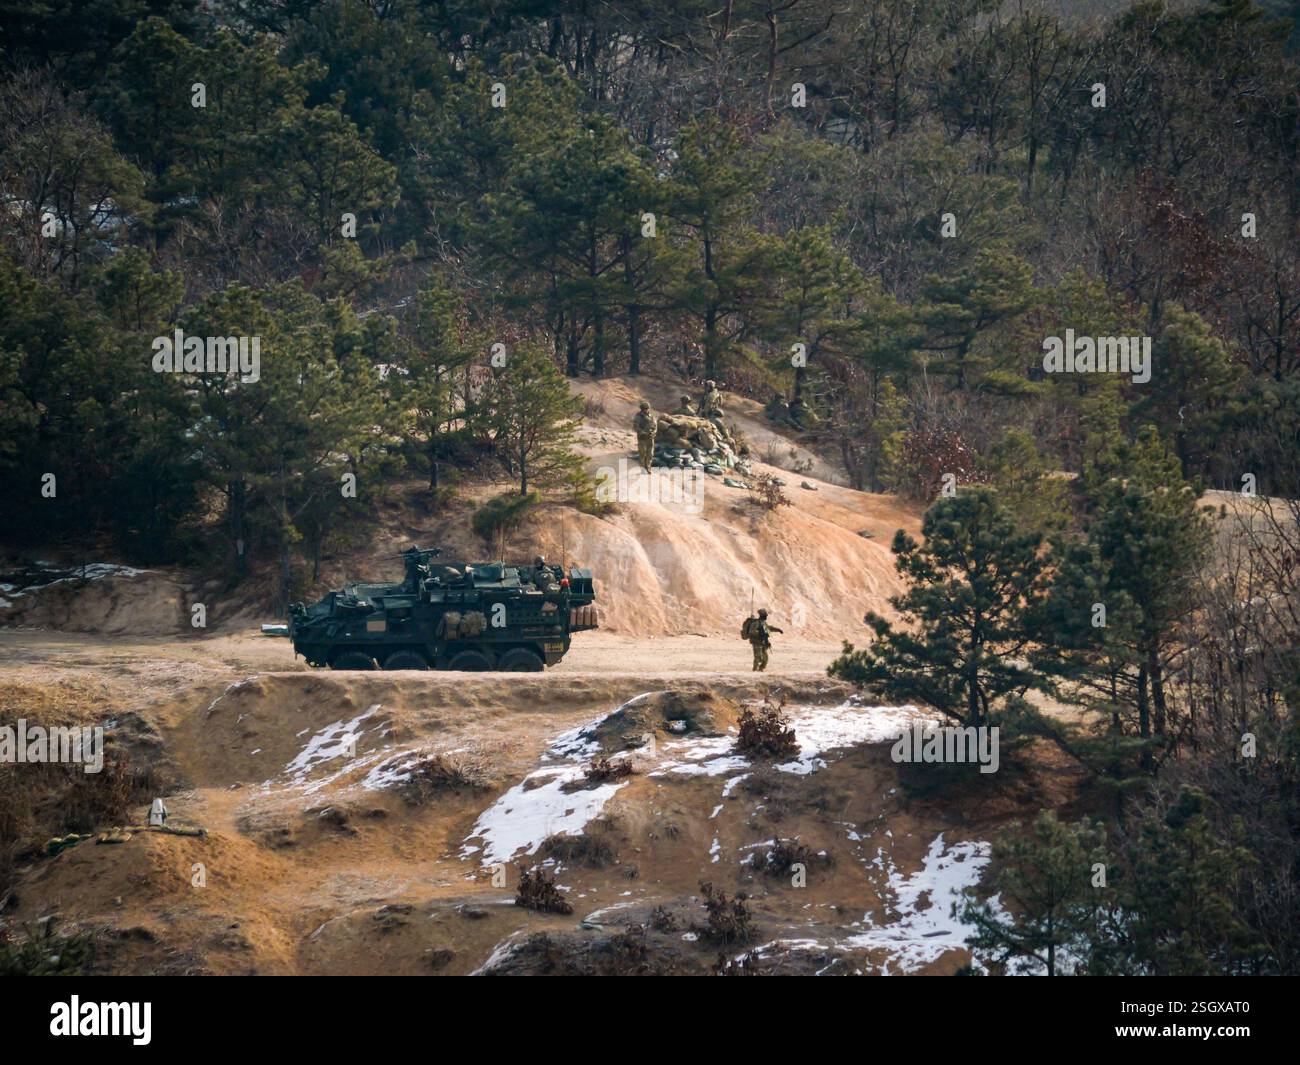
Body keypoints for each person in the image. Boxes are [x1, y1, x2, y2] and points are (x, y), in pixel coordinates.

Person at [747, 608, 783, 672]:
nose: (766, 617)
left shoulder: (763, 623)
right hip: (756, 642)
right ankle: (755, 669)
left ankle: (761, 668)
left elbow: (769, 628)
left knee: (765, 658)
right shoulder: (756, 623)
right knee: (758, 656)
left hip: (763, 642)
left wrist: (778, 630)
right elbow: (751, 632)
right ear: (762, 616)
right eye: (765, 615)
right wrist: (759, 633)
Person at [633, 400, 658, 471]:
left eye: (647, 408)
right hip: (642, 437)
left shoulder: (651, 416)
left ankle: (648, 466)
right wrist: (642, 432)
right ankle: (642, 467)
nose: (646, 410)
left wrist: (654, 432)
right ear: (641, 409)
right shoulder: (638, 416)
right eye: (644, 408)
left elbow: (655, 426)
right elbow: (635, 426)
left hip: (650, 437)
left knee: (650, 454)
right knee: (642, 453)